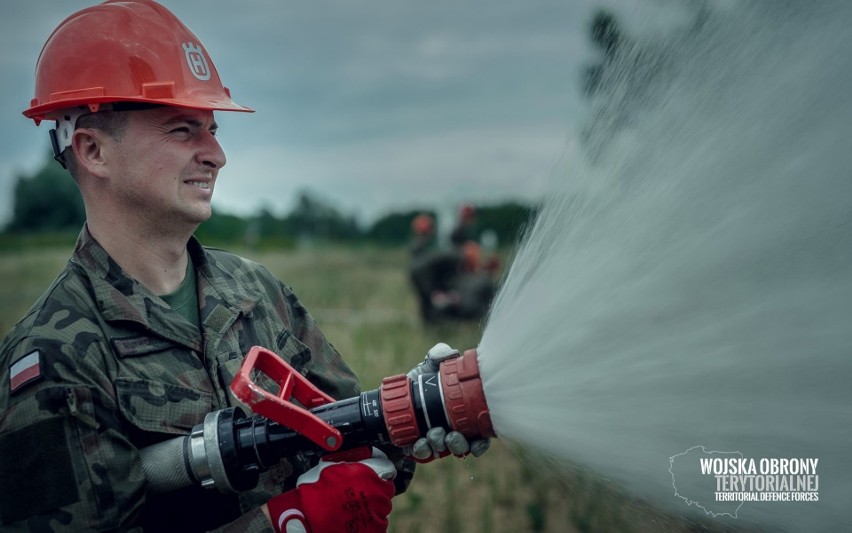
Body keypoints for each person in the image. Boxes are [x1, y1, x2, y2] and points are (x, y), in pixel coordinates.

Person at [0, 2, 485, 531]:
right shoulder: (53, 358)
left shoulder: (256, 292)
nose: (216, 155)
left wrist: (420, 412)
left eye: (212, 129)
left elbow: (354, 440)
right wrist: (284, 524)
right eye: (182, 130)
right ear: (93, 151)